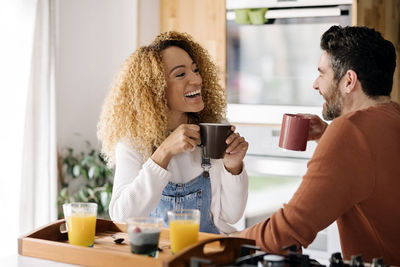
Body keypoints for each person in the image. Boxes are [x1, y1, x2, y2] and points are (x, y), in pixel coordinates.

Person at [238, 25, 400, 265]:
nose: (315, 84)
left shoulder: (349, 131)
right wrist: (327, 137)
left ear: (349, 81)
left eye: (322, 73)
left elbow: (287, 233)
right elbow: (373, 171)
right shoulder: (392, 117)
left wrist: (223, 240)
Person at [97, 31, 249, 234]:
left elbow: (231, 216)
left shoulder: (214, 128)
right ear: (155, 88)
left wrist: (233, 167)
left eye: (195, 70)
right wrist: (163, 153)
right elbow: (122, 216)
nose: (196, 79)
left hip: (208, 252)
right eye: (181, 74)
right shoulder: (133, 141)